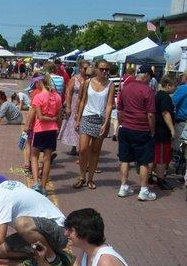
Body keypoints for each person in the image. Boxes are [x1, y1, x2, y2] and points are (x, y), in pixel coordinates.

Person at [0, 181, 72, 266]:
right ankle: (45, 255)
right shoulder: (1, 188)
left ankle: (53, 261)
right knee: (0, 250)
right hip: (43, 231)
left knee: (21, 223)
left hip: (59, 230)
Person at [117, 64, 157, 201]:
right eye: (150, 77)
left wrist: (121, 123)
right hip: (141, 129)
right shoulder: (148, 91)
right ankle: (144, 189)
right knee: (144, 161)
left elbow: (120, 110)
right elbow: (151, 114)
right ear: (146, 76)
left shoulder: (125, 88)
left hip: (126, 127)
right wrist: (152, 131)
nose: (150, 80)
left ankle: (123, 186)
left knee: (125, 159)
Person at [73, 60, 115, 190]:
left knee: (95, 151)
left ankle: (90, 178)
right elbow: (81, 101)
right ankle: (81, 176)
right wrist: (78, 118)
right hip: (87, 117)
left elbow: (109, 105)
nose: (104, 72)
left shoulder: (110, 85)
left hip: (100, 119)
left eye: (106, 70)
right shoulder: (87, 83)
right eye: (101, 69)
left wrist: (106, 122)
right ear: (96, 69)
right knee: (83, 149)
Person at [28, 75, 62, 195]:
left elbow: (40, 117)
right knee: (47, 159)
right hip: (52, 130)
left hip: (40, 130)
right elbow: (59, 116)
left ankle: (36, 182)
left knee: (34, 156)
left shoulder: (38, 96)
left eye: (36, 83)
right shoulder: (57, 97)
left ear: (40, 82)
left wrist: (28, 127)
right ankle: (43, 187)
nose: (35, 85)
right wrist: (57, 125)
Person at [152, 75, 177, 190]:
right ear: (168, 85)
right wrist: (172, 130)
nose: (175, 89)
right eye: (174, 86)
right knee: (161, 158)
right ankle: (161, 179)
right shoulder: (165, 97)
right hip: (162, 131)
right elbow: (165, 113)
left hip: (156, 130)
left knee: (155, 156)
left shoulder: (156, 95)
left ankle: (151, 175)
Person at [60, 60, 90, 156]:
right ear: (80, 68)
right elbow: (68, 92)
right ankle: (74, 146)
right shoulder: (74, 78)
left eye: (88, 68)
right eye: (85, 68)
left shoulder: (91, 80)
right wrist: (68, 106)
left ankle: (83, 146)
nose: (86, 70)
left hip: (87, 104)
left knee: (84, 124)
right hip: (74, 103)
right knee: (74, 124)